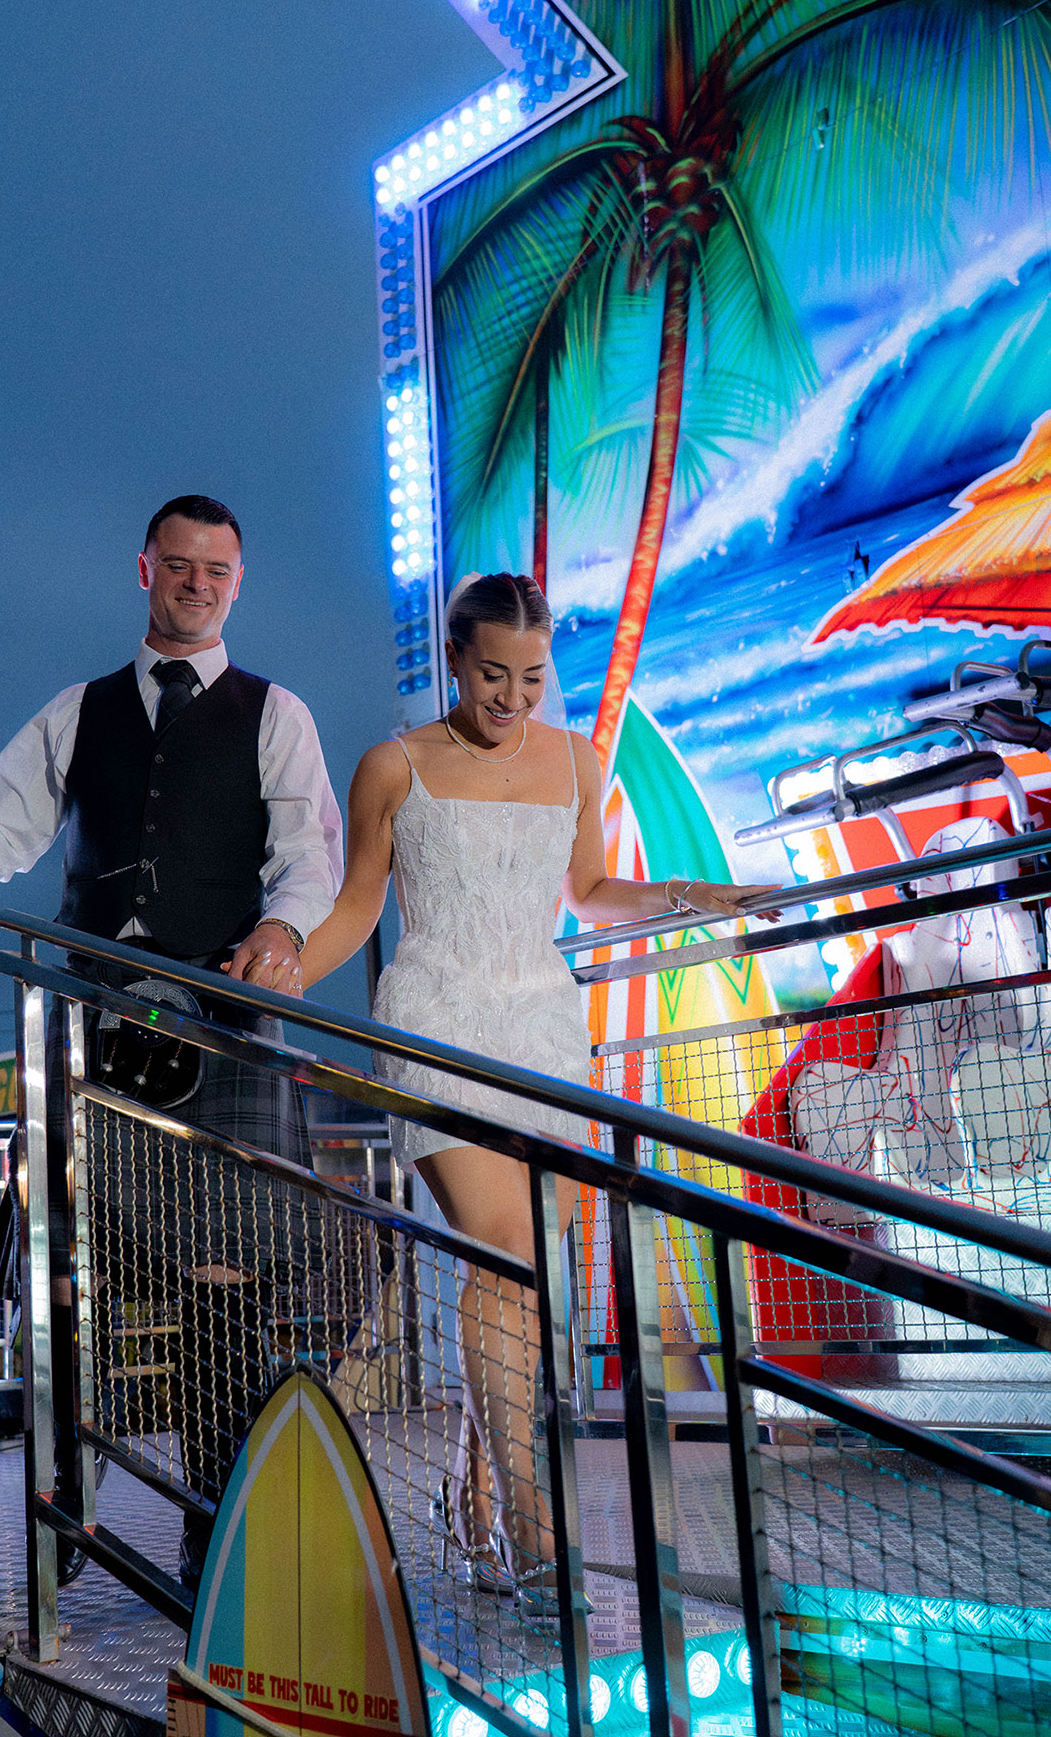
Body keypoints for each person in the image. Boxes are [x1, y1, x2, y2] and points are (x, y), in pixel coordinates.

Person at [229, 570, 777, 1621]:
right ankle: (533, 1525)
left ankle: (473, 1494)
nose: (512, 697)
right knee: (505, 1252)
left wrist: (690, 895)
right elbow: (360, 906)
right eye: (492, 674)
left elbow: (588, 892)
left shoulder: (575, 759)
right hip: (436, 1017)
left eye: (531, 676)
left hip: (544, 1032)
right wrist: (290, 961)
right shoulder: (392, 764)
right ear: (454, 658)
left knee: (532, 1278)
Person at [0, 493, 343, 1590]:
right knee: (59, 1267)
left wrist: (283, 929)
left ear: (238, 580)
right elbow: (0, 824)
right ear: (145, 569)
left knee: (225, 1277)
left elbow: (309, 853)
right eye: (179, 565)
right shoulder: (76, 712)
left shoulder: (278, 714)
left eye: (216, 570)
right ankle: (64, 1501)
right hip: (88, 1016)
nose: (197, 584)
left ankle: (214, 1523)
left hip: (220, 1023)